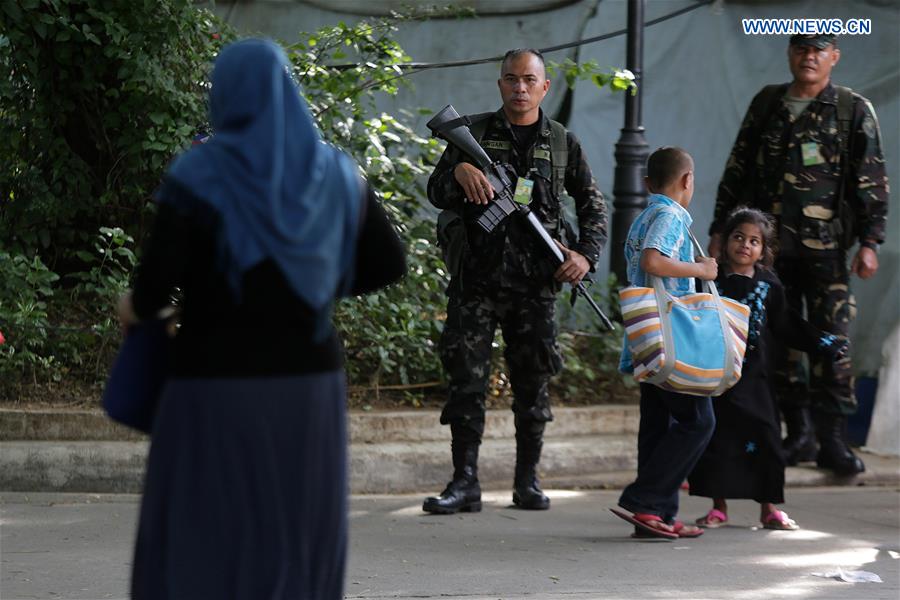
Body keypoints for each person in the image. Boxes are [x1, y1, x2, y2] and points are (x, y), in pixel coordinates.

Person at [118, 39, 405, 599]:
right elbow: (389, 264)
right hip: (308, 384)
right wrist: (315, 289)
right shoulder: (340, 175)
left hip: (211, 381)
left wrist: (140, 310)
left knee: (206, 524)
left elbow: (152, 290)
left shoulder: (200, 173)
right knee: (293, 524)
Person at [423, 48, 607, 514]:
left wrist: (585, 256)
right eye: (511, 79)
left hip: (535, 287)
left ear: (545, 87)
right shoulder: (474, 134)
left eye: (529, 80)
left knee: (533, 384)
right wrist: (459, 171)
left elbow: (592, 205)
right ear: (500, 84)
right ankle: (464, 482)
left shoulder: (562, 142)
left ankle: (527, 481)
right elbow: (435, 190)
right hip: (476, 283)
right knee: (466, 383)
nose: (519, 88)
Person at [709, 33, 889, 475]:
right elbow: (738, 167)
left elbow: (871, 179)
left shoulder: (851, 109)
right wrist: (720, 229)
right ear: (791, 54)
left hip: (827, 252)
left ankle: (833, 440)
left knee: (831, 340)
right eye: (802, 49)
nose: (809, 57)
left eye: (819, 51)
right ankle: (799, 434)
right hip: (767, 256)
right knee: (776, 344)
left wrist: (869, 242)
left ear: (834, 58)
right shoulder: (768, 103)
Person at [689, 208, 848, 531]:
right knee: (718, 439)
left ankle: (768, 509)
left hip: (757, 378)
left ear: (764, 249)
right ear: (725, 240)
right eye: (738, 237)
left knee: (767, 438)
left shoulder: (768, 283)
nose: (745, 245)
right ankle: (718, 507)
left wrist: (822, 342)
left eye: (754, 241)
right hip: (717, 377)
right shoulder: (710, 278)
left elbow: (786, 324)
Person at [614, 147, 717, 539]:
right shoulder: (671, 215)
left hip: (646, 335)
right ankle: (644, 500)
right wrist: (702, 268)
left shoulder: (644, 215)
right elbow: (654, 261)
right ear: (687, 180)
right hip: (671, 335)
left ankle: (656, 515)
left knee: (660, 424)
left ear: (645, 183)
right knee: (698, 420)